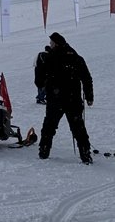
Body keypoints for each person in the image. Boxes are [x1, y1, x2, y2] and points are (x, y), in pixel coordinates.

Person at [38, 32, 94, 164]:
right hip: (72, 99)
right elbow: (86, 78)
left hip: (56, 100)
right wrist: (89, 96)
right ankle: (85, 154)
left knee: (49, 127)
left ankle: (44, 151)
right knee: (78, 128)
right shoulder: (75, 57)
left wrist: (41, 65)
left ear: (56, 44)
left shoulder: (49, 58)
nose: (50, 45)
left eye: (51, 43)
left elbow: (39, 82)